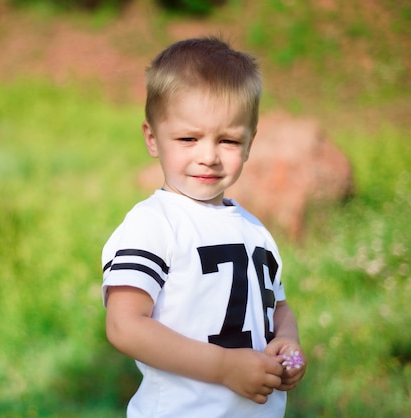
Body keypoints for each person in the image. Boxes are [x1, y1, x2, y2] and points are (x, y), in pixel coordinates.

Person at [101, 37, 306, 417]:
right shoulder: (154, 223)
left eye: (228, 140)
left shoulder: (254, 229)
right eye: (188, 138)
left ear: (249, 144)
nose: (208, 156)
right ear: (153, 138)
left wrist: (287, 340)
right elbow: (124, 325)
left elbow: (278, 305)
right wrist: (223, 367)